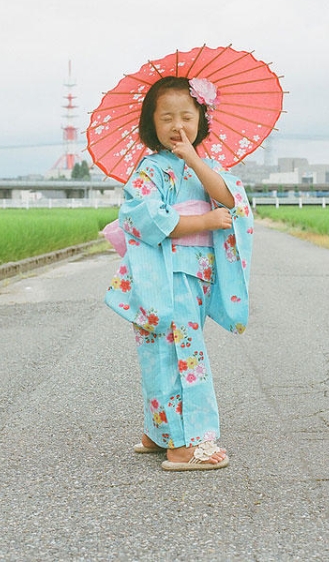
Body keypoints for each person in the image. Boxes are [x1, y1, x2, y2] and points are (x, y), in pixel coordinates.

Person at [104, 75, 253, 471]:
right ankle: (187, 444)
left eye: (186, 116)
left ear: (202, 119)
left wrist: (192, 159)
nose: (177, 126)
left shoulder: (204, 166)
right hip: (166, 272)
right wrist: (202, 220)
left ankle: (161, 429)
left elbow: (229, 198)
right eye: (166, 117)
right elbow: (144, 217)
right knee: (180, 353)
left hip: (195, 273)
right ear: (150, 123)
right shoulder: (150, 169)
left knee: (166, 350)